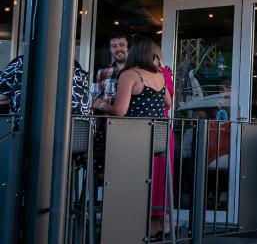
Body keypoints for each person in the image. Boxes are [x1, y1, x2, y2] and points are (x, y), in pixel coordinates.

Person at [96, 36, 172, 239]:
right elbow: (168, 102)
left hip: (132, 139)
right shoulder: (160, 76)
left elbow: (120, 111)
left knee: (109, 172)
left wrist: (100, 105)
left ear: (134, 53)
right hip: (154, 140)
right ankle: (140, 227)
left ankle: (119, 225)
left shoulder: (129, 74)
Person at [0, 55, 92, 117]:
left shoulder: (22, 62)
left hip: (28, 132)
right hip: (76, 136)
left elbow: (2, 95)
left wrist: (12, 97)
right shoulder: (74, 65)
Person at [91, 32, 128, 109]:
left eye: (122, 45)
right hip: (104, 117)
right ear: (110, 49)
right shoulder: (102, 71)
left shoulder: (136, 71)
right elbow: (96, 97)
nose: (118, 49)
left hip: (127, 119)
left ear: (128, 48)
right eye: (114, 46)